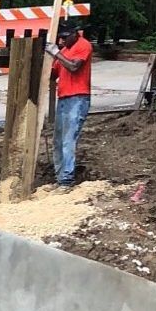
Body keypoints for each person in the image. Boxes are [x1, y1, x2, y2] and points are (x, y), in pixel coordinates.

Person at [46, 24, 93, 191]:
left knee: (68, 139)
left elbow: (74, 67)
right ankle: (60, 178)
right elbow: (53, 75)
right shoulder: (64, 51)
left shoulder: (83, 45)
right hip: (64, 98)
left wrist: (56, 54)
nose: (62, 41)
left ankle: (67, 180)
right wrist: (45, 61)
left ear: (75, 34)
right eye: (60, 38)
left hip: (78, 98)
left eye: (65, 37)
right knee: (58, 140)